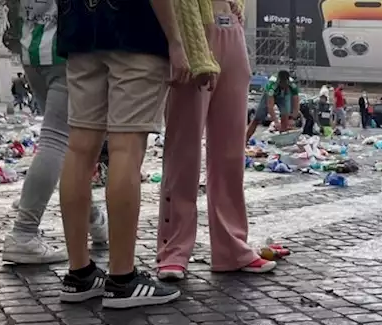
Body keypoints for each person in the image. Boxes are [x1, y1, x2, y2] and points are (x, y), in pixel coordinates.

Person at [55, 0, 188, 308]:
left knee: (79, 147)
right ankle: (122, 277)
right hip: (134, 31)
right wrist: (175, 40)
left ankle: (79, 273)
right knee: (125, 148)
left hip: (80, 31)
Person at [157, 0, 272, 282]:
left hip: (231, 27)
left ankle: (232, 247)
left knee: (230, 153)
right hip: (191, 29)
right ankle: (173, 251)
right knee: (183, 151)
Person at [3, 0, 109, 265]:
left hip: (32, 48)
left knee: (69, 144)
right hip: (66, 48)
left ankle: (94, 219)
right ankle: (24, 232)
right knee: (59, 140)